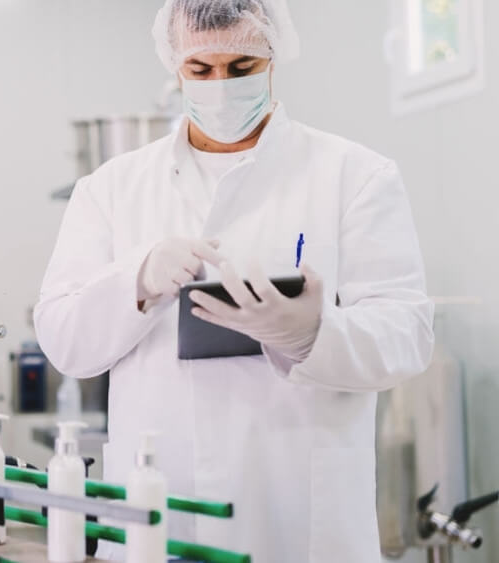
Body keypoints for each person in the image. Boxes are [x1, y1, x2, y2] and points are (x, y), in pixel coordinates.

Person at [32, 0, 435, 561]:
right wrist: (137, 282)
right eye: (201, 70)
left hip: (299, 512)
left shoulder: (355, 176)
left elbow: (408, 335)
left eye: (242, 67)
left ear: (273, 56)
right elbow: (63, 340)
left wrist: (312, 335)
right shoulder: (110, 188)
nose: (220, 85)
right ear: (175, 66)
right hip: (162, 506)